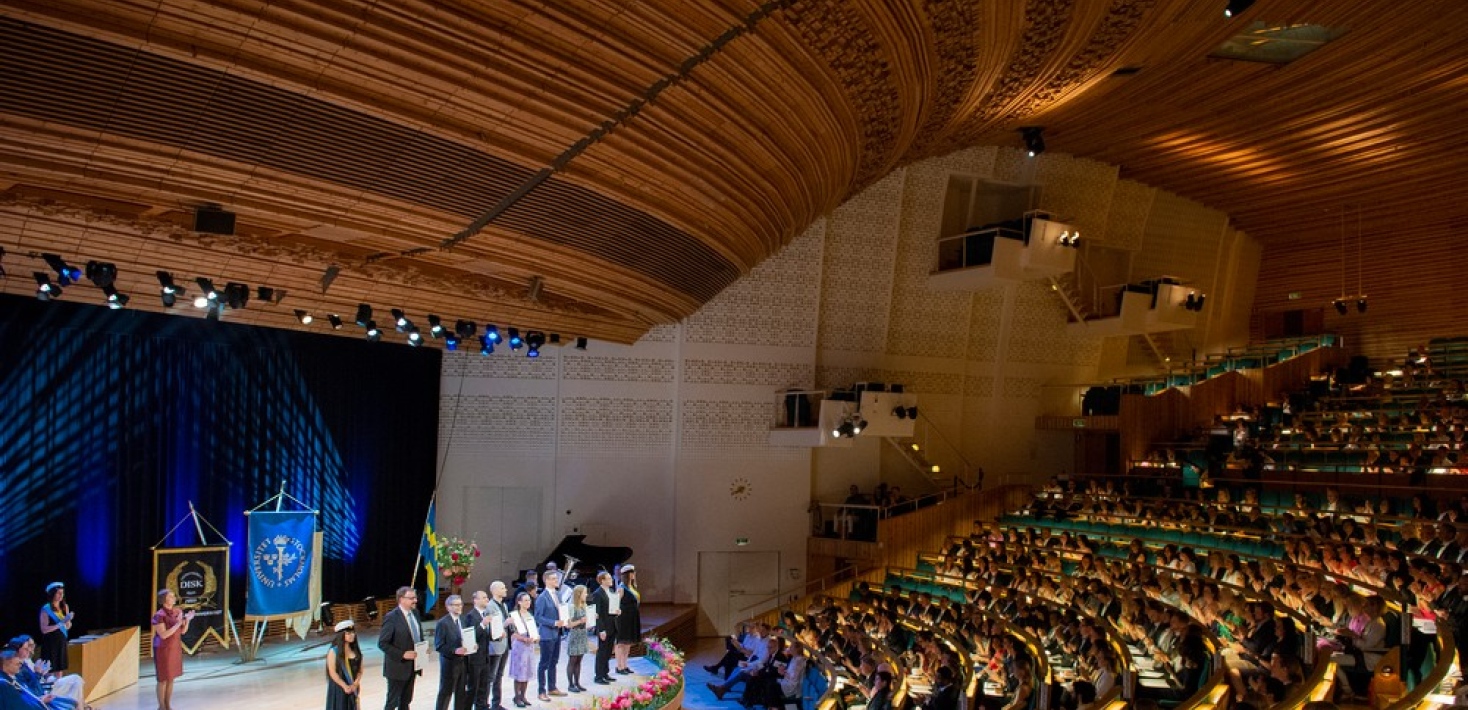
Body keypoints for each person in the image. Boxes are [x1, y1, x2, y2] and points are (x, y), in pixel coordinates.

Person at [379, 586, 425, 710]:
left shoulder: (415, 613)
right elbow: (382, 643)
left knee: (406, 701)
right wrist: (402, 654)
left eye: (415, 597)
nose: (415, 600)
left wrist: (423, 647)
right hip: (397, 668)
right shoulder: (391, 617)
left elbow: (417, 635)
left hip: (413, 666)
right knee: (392, 702)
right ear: (401, 599)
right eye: (411, 598)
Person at [466, 584, 510, 710]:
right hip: (478, 655)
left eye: (486, 597)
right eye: (484, 597)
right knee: (477, 685)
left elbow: (489, 634)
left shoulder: (486, 612)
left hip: (490, 651)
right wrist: (484, 624)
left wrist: (497, 635)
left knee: (486, 682)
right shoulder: (472, 615)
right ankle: (479, 705)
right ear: (476, 600)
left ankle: (486, 705)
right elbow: (472, 635)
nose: (487, 599)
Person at [151, 588, 194, 710]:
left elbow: (183, 631)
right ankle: (162, 706)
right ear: (164, 600)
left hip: (174, 647)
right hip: (163, 649)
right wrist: (177, 623)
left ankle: (168, 705)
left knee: (171, 678)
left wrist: (187, 621)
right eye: (171, 596)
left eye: (174, 596)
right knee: (163, 678)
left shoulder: (177, 611)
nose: (174, 598)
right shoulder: (159, 615)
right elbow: (163, 635)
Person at [6, 637, 78, 710]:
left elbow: (33, 688)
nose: (29, 650)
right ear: (17, 650)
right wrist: (38, 673)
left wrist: (41, 673)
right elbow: (31, 691)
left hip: (41, 694)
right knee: (75, 683)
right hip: (38, 698)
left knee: (74, 702)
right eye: (25, 648)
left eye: (29, 647)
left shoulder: (24, 664)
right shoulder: (15, 672)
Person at [532, 570, 567, 701]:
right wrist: (553, 623)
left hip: (557, 633)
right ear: (546, 581)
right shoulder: (542, 597)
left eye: (556, 578)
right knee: (544, 663)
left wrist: (565, 620)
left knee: (554, 661)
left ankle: (552, 687)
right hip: (547, 634)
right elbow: (538, 617)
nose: (556, 580)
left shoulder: (558, 594)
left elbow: (561, 611)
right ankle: (541, 691)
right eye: (553, 579)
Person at [436, 595, 472, 710]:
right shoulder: (443, 623)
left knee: (461, 691)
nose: (459, 607)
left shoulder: (463, 619)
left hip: (463, 662)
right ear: (448, 607)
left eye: (460, 604)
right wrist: (455, 650)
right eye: (456, 605)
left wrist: (471, 645)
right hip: (450, 663)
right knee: (446, 692)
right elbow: (439, 645)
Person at [507, 592, 539, 708]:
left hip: (529, 646)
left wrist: (536, 637)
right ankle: (517, 696)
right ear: (519, 602)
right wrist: (524, 639)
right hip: (519, 646)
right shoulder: (514, 615)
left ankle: (523, 696)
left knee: (527, 672)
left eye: (529, 600)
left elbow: (533, 630)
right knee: (519, 672)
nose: (528, 602)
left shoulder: (530, 615)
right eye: (525, 600)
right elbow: (513, 634)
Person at [588, 571, 618, 685]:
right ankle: (599, 676)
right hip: (604, 627)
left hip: (612, 625)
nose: (611, 580)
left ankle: (605, 673)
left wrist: (617, 611)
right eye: (609, 578)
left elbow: (612, 608)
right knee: (602, 651)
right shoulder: (597, 594)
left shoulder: (611, 591)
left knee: (609, 651)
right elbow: (597, 613)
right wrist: (601, 630)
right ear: (602, 581)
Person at [326, 620, 363, 710]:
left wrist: (355, 684)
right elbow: (332, 672)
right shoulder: (334, 651)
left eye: (353, 632)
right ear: (341, 635)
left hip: (353, 687)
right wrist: (344, 686)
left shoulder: (355, 650)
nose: (352, 635)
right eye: (348, 633)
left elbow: (360, 670)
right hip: (339, 689)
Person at [38, 582, 72, 675]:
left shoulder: (64, 606)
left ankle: (59, 686)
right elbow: (44, 629)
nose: (61, 595)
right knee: (50, 667)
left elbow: (67, 626)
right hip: (50, 641)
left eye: (62, 593)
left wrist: (68, 621)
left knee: (59, 666)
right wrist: (60, 624)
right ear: (52, 594)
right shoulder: (46, 609)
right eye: (58, 593)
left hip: (61, 640)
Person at [614, 565, 641, 674]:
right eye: (632, 573)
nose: (634, 575)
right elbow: (615, 604)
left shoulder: (632, 588)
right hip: (623, 618)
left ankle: (625, 665)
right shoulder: (621, 588)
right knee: (621, 642)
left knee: (628, 643)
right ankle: (619, 666)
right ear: (628, 575)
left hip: (632, 618)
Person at [565, 585, 590, 693]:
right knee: (573, 660)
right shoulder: (572, 607)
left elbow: (587, 622)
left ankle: (577, 683)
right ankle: (570, 684)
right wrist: (580, 621)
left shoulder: (584, 605)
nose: (586, 595)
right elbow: (568, 625)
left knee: (579, 660)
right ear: (579, 594)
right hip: (575, 635)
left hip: (583, 634)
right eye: (585, 593)